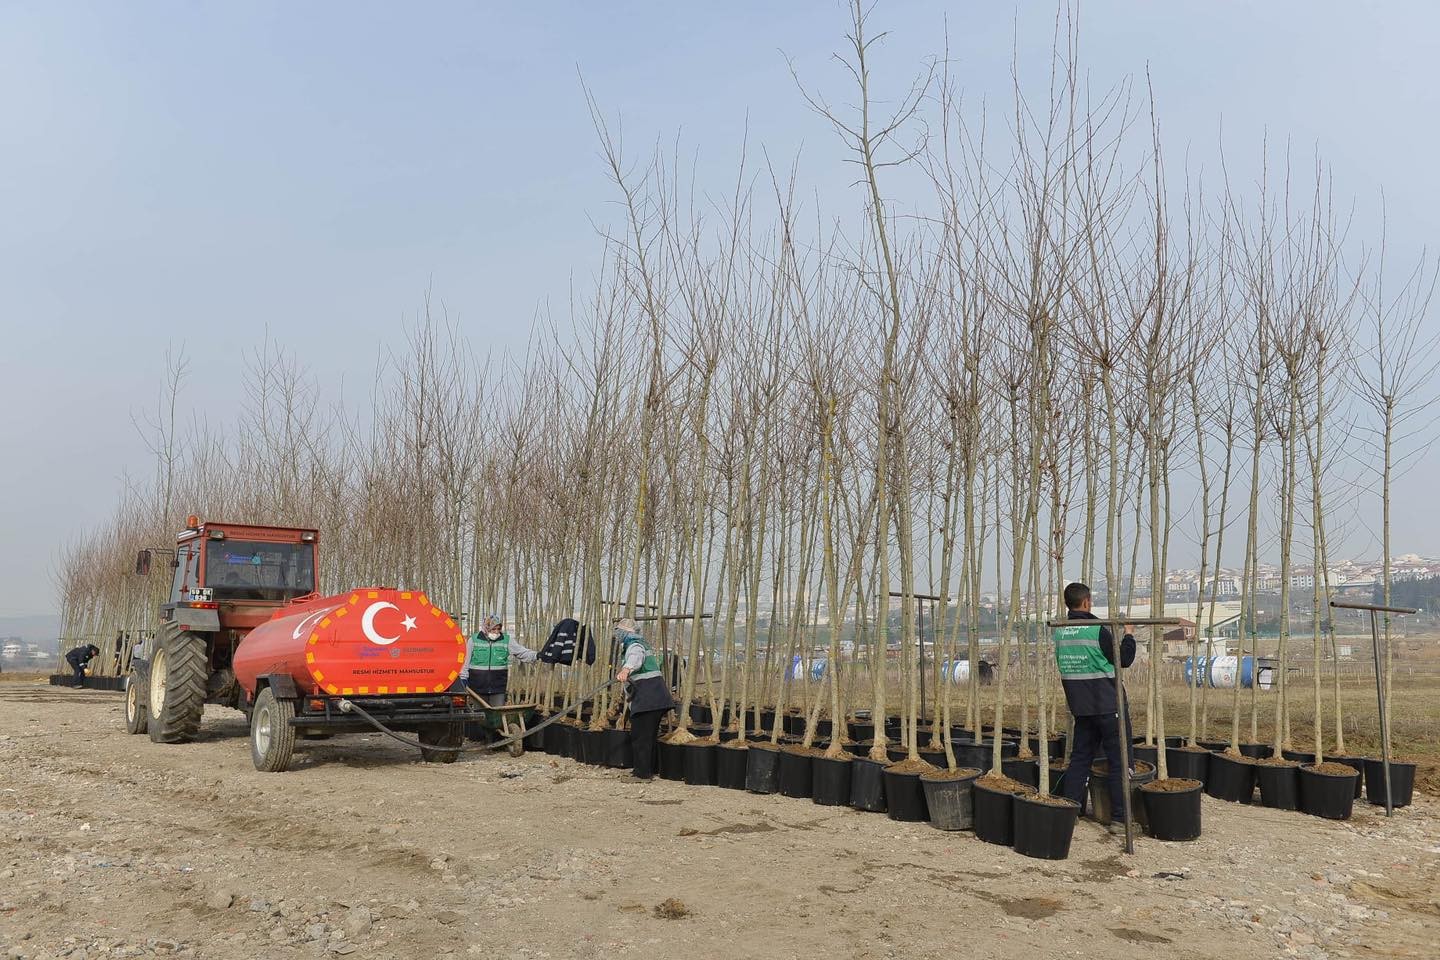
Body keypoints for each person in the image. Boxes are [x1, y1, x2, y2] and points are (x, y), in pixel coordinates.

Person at [1052, 582, 1136, 835]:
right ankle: (1120, 819)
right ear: (1087, 602)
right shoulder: (1096, 629)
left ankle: (1071, 809)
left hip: (1080, 706)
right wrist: (1129, 635)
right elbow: (1123, 659)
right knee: (1119, 760)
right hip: (1108, 705)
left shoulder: (1060, 631)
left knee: (1080, 758)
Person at [614, 618, 675, 780]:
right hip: (654, 698)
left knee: (640, 736)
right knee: (648, 737)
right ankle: (649, 770)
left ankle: (642, 774)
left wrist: (626, 669)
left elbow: (636, 658)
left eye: (620, 631)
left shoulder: (635, 645)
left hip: (649, 699)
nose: (617, 634)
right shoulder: (639, 644)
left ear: (628, 632)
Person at [461, 614, 537, 710]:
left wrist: (536, 655)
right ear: (486, 628)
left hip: (498, 687)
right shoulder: (474, 640)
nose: (496, 632)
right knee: (479, 714)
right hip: (477, 687)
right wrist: (463, 678)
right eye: (493, 629)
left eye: (498, 629)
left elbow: (522, 652)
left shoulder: (506, 640)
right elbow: (465, 662)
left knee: (497, 713)